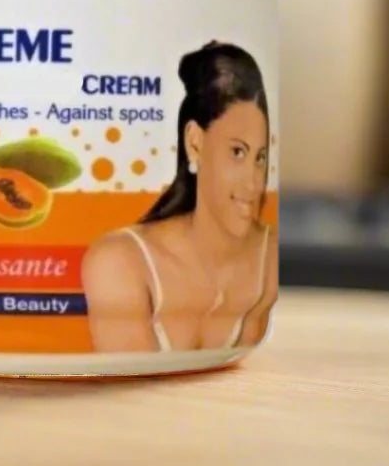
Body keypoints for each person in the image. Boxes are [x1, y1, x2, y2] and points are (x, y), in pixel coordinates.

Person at [82, 42, 278, 352]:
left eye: (260, 157)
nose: (253, 183)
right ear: (195, 142)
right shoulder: (121, 261)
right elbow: (132, 376)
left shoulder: (270, 257)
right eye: (237, 152)